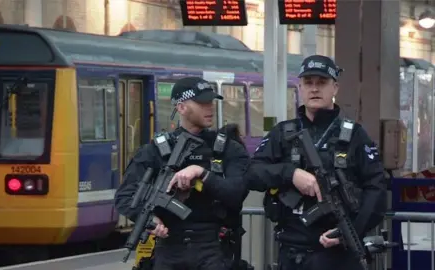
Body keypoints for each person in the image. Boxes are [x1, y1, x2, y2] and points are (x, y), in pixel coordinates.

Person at [246, 55, 387, 270]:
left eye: (321, 83)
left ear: (335, 88)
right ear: (300, 87)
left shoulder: (355, 135)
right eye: (309, 83)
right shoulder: (282, 133)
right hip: (292, 251)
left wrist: (351, 231)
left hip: (337, 253)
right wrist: (291, 173)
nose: (314, 89)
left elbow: (376, 189)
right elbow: (253, 174)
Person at [115, 77, 250, 270]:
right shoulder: (155, 151)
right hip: (170, 248)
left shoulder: (229, 148)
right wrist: (151, 220)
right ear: (181, 108)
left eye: (210, 102)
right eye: (202, 103)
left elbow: (237, 192)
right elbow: (124, 197)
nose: (210, 107)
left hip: (214, 247)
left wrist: (202, 174)